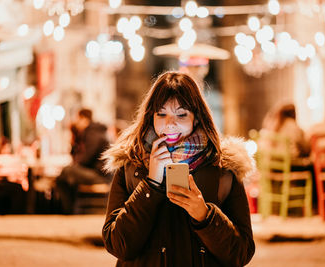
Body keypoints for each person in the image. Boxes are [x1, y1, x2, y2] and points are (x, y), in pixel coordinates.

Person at [101, 71, 255, 266]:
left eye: (181, 114)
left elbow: (241, 253)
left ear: (196, 118)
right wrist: (151, 184)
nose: (170, 124)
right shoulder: (130, 164)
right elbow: (118, 245)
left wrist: (205, 215)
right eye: (162, 113)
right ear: (151, 116)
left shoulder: (223, 168)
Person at [55, 108, 111, 214]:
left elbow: (86, 158)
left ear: (84, 119)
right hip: (99, 173)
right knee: (67, 175)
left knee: (66, 172)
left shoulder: (93, 134)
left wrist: (75, 165)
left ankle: (68, 210)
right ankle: (70, 209)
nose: (76, 122)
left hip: (100, 176)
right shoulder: (92, 132)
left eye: (78, 119)